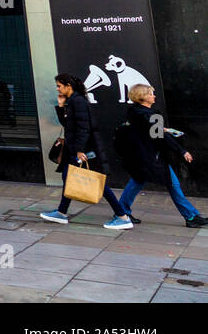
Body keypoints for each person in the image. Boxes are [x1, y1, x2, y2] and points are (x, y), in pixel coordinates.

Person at [39, 73, 130, 227]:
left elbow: (83, 128)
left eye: (59, 86)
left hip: (85, 151)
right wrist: (61, 107)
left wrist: (80, 151)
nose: (57, 89)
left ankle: (122, 216)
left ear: (68, 86)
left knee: (99, 183)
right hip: (77, 149)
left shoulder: (78, 102)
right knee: (68, 178)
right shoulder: (73, 101)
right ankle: (61, 213)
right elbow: (68, 125)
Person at [112, 83, 206, 229]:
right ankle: (191, 216)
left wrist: (160, 129)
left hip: (140, 156)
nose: (154, 96)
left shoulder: (134, 112)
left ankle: (122, 211)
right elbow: (161, 137)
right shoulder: (151, 114)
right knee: (172, 184)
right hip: (152, 158)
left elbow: (148, 132)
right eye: (150, 94)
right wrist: (182, 151)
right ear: (142, 97)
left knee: (137, 181)